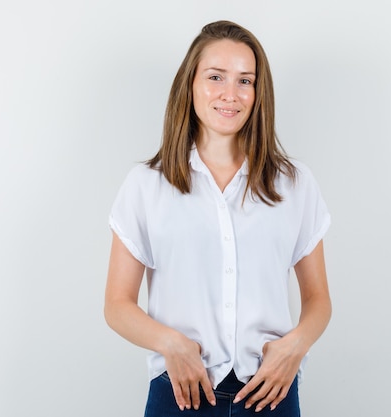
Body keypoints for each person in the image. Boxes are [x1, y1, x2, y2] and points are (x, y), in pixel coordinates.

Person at [104, 20, 331, 417]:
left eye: (246, 81)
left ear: (259, 93)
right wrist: (171, 343)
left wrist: (294, 347)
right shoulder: (146, 185)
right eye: (216, 77)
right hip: (179, 393)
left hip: (271, 392)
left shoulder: (295, 184)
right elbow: (117, 305)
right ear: (189, 84)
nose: (231, 94)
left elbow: (318, 300)